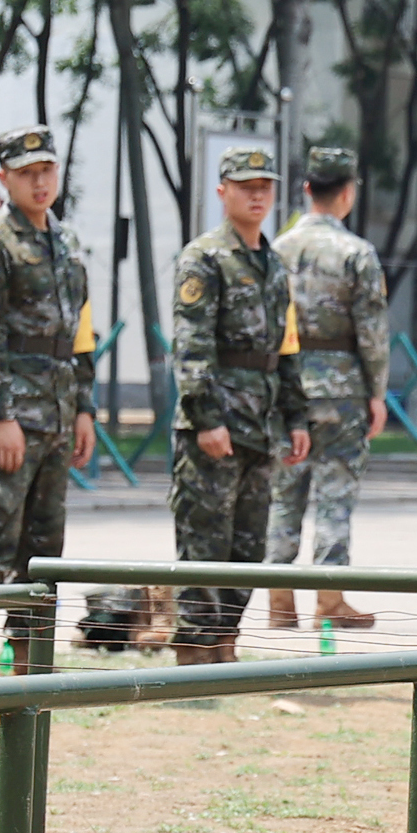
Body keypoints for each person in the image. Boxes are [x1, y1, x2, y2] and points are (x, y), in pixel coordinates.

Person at [0, 126, 96, 679]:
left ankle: (31, 655)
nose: (39, 181)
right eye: (27, 172)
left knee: (43, 543)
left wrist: (85, 409)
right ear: (4, 178)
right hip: (5, 418)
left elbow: (80, 334)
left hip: (56, 414)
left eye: (46, 170)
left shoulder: (67, 241)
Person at [168, 147, 310, 665]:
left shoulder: (273, 264)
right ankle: (193, 652)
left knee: (248, 547)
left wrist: (296, 417)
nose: (257, 194)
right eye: (246, 185)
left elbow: (286, 348)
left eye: (265, 186)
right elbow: (191, 346)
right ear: (223, 190)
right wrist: (206, 418)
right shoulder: (204, 258)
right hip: (217, 426)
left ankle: (225, 644)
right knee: (204, 540)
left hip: (261, 426)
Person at [263, 148, 394, 634]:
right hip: (342, 391)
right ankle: (329, 601)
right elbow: (372, 332)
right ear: (348, 192)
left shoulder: (275, 249)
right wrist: (376, 393)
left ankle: (279, 603)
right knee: (335, 497)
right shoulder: (356, 253)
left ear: (305, 191)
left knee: (284, 494)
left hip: (288, 389)